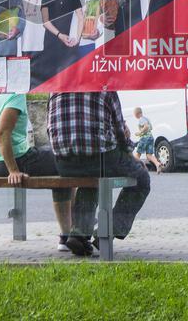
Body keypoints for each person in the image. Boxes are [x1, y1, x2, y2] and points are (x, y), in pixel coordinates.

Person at [0, 92, 75, 251]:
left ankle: (69, 231)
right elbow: (2, 132)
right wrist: (13, 170)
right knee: (64, 161)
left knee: (54, 162)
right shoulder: (15, 96)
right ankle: (70, 234)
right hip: (13, 161)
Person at [47, 91, 151, 257]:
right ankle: (106, 231)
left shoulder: (56, 88)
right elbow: (119, 133)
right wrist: (129, 149)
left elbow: (50, 128)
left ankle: (79, 234)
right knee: (142, 179)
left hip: (65, 162)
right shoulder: (105, 87)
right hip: (101, 159)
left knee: (92, 177)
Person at [34, 0, 82, 84]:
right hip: (51, 44)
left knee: (69, 81)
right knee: (51, 82)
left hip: (68, 46)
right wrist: (60, 35)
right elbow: (45, 21)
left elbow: (81, 17)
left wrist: (77, 38)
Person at [132, 106, 163, 174]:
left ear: (137, 114)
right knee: (149, 155)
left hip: (145, 138)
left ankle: (133, 168)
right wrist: (141, 133)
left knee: (138, 154)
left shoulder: (141, 119)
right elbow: (150, 128)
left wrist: (140, 132)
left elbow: (146, 126)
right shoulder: (147, 119)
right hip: (150, 137)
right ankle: (157, 164)